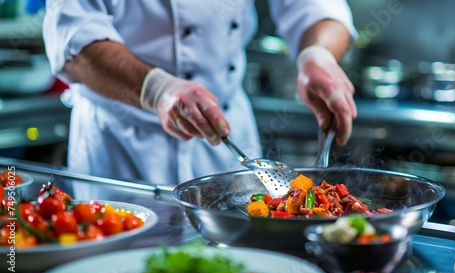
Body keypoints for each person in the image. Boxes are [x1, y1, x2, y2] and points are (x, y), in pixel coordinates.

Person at [43, 1, 358, 187]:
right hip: (121, 144)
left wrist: (317, 55)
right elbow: (73, 38)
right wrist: (157, 90)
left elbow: (317, 7)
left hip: (227, 140)